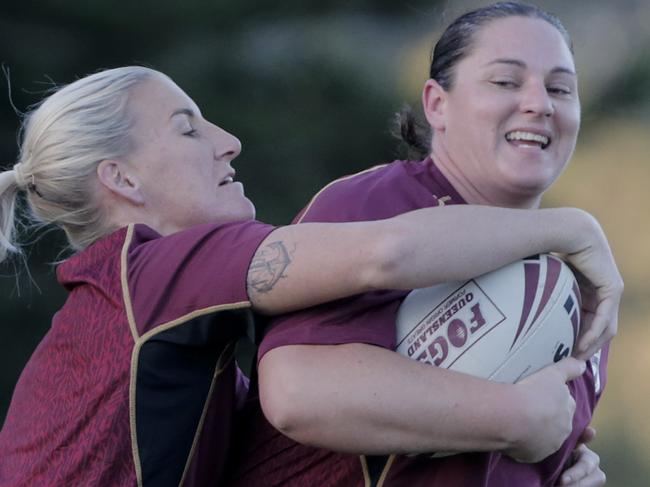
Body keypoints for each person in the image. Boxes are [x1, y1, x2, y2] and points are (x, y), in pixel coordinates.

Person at [0, 67, 619, 486]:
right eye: (188, 128)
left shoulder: (157, 336)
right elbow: (386, 253)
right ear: (123, 180)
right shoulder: (150, 272)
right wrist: (572, 231)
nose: (229, 141)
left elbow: (319, 454)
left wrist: (551, 460)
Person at [226, 3, 617, 487]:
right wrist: (512, 416)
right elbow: (296, 395)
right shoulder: (379, 203)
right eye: (506, 82)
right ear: (437, 104)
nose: (540, 104)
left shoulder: (579, 283)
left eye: (560, 89)